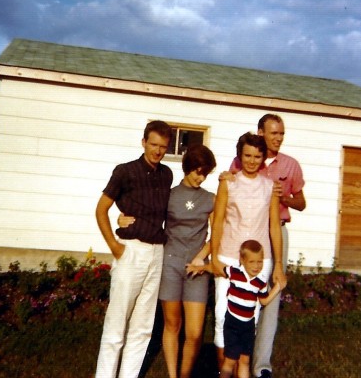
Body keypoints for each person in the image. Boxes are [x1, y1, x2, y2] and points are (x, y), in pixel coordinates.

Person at [120, 144, 217, 378]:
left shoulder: (211, 199)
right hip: (170, 264)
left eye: (205, 173)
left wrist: (201, 258)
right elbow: (148, 216)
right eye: (197, 171)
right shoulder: (170, 195)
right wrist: (123, 218)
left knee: (194, 333)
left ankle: (185, 375)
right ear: (187, 168)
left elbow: (218, 235)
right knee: (172, 325)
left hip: (197, 268)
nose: (201, 177)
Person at [228, 114, 306, 378]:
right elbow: (231, 186)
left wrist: (285, 197)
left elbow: (301, 202)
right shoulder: (246, 159)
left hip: (276, 233)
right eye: (274, 133)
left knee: (271, 297)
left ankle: (261, 366)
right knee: (239, 293)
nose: (279, 138)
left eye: (282, 134)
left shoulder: (291, 165)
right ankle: (235, 360)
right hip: (246, 235)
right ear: (260, 133)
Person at [94, 120, 173, 378]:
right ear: (143, 143)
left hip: (156, 253)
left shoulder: (166, 174)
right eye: (153, 145)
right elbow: (101, 208)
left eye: (163, 146)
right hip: (131, 252)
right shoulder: (125, 171)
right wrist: (115, 247)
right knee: (117, 325)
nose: (157, 151)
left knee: (143, 327)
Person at [210, 132, 287, 370]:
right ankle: (224, 370)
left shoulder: (270, 187)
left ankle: (241, 371)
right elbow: (219, 220)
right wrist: (214, 257)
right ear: (240, 156)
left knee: (248, 319)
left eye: (257, 156)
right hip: (229, 256)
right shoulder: (228, 182)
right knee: (223, 316)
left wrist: (277, 265)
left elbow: (274, 225)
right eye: (247, 155)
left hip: (258, 261)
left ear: (263, 158)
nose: (252, 161)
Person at [186, 240, 281, 378]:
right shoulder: (235, 272)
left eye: (259, 262)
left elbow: (264, 300)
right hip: (233, 325)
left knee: (245, 361)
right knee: (229, 361)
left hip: (248, 326)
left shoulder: (260, 281)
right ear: (242, 260)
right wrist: (199, 268)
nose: (256, 266)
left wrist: (277, 287)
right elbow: (215, 268)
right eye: (252, 262)